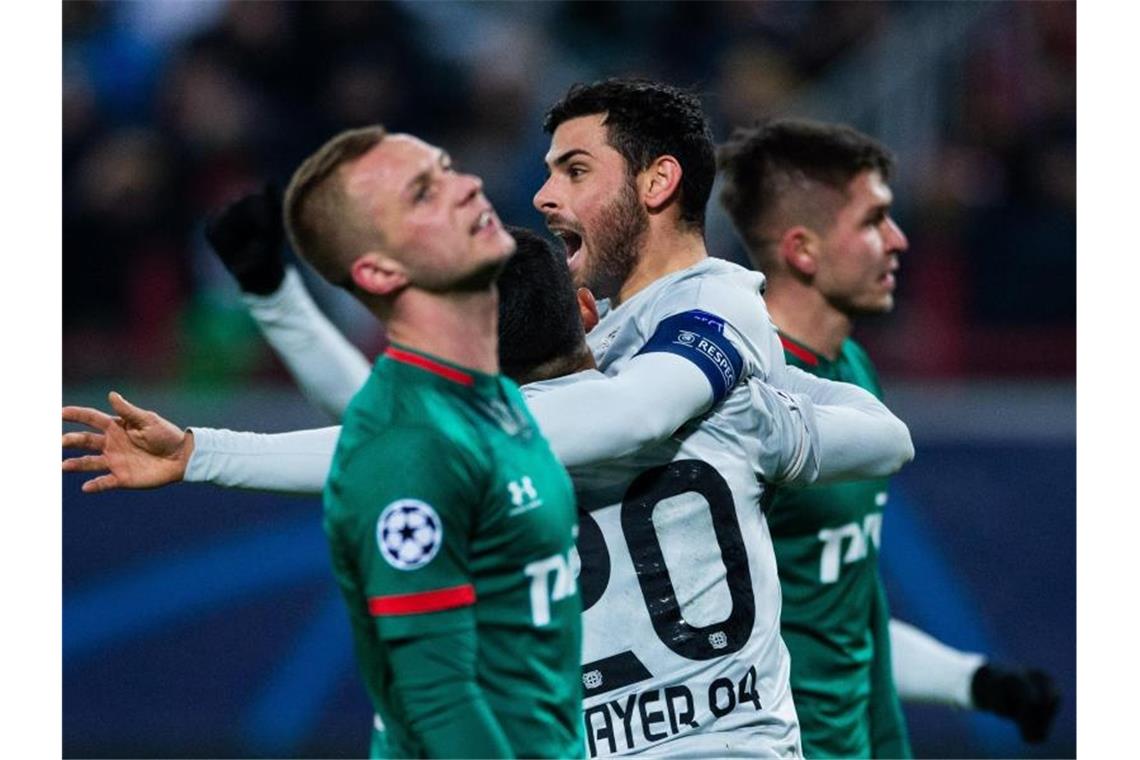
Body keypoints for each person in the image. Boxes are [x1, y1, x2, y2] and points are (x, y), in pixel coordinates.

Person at [717, 117, 1061, 757]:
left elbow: (843, 613)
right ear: (803, 250)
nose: (899, 241)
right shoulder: (737, 405)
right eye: (874, 221)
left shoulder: (851, 371)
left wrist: (974, 681)